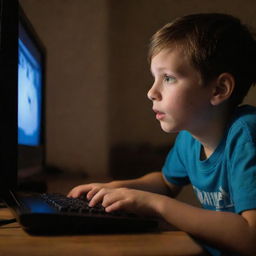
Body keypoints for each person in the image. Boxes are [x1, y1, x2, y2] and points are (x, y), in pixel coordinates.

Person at [68, 13, 256, 256]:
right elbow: (166, 183)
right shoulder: (190, 138)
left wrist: (156, 205)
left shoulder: (246, 136)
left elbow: (251, 237)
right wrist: (118, 188)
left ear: (219, 89)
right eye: (154, 78)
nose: (151, 92)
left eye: (168, 78)